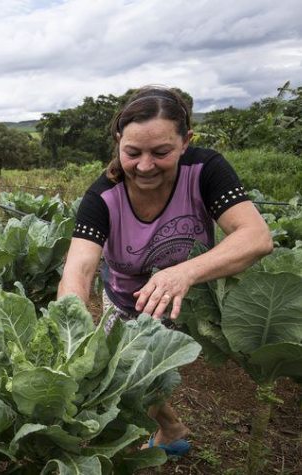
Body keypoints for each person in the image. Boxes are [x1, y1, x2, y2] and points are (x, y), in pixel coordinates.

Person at [57, 85, 273, 456]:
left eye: (161, 152)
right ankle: (170, 427)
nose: (144, 166)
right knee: (126, 372)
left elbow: (256, 237)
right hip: (126, 299)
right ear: (118, 140)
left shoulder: (205, 170)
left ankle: (168, 429)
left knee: (149, 371)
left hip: (191, 293)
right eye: (132, 152)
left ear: (186, 141)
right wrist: (71, 330)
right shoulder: (102, 197)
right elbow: (78, 271)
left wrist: (183, 273)